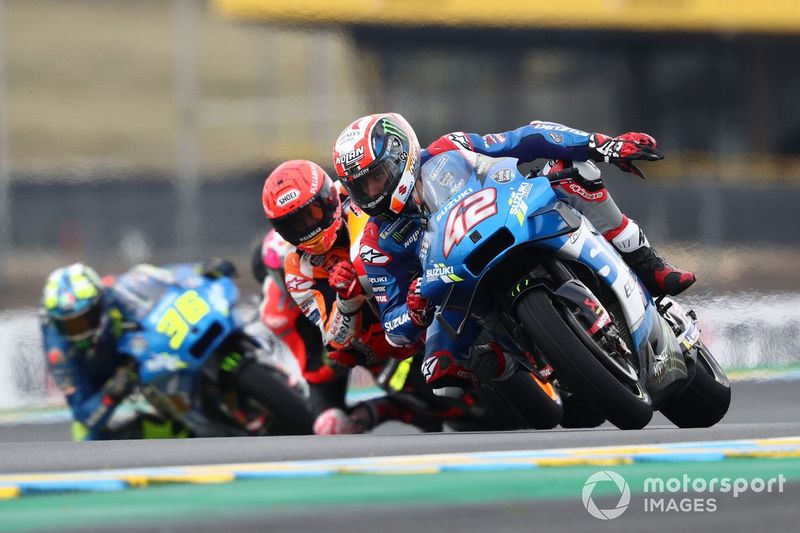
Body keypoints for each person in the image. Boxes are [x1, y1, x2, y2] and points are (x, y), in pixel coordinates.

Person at [332, 113, 695, 395]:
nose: (371, 190)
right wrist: (413, 309)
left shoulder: (448, 150)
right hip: (461, 287)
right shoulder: (376, 245)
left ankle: (646, 262)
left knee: (575, 173)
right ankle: (532, 363)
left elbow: (526, 138)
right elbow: (395, 328)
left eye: (375, 176)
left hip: (513, 218)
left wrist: (602, 144)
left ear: (399, 156)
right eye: (360, 185)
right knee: (440, 374)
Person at [261, 159, 439, 434]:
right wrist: (346, 299)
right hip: (381, 335)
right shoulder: (297, 270)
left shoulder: (357, 193)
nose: (308, 227)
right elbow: (332, 343)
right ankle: (390, 408)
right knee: (356, 368)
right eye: (296, 225)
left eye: (313, 213)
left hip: (411, 271)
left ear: (328, 198)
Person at [40, 260, 234, 440]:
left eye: (83, 320)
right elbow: (83, 413)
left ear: (99, 302)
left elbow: (166, 276)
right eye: (69, 326)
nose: (79, 332)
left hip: (137, 357)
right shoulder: (60, 353)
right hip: (104, 384)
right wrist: (111, 393)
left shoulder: (115, 290)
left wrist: (201, 270)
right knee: (86, 438)